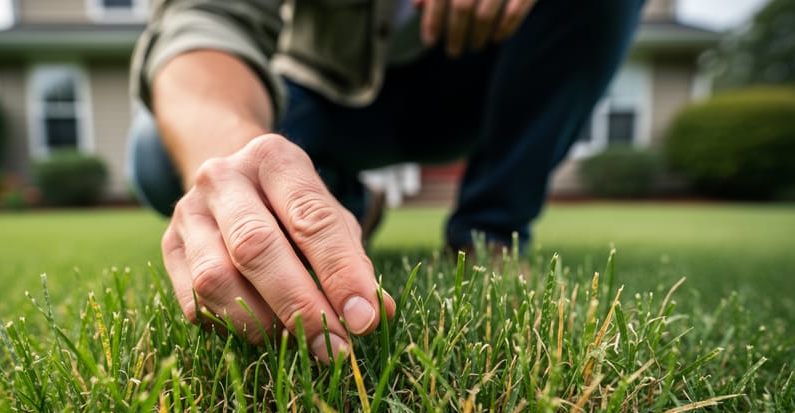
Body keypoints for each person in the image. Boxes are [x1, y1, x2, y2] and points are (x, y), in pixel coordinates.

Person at [128, 0, 645, 363]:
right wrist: (241, 166)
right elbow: (203, 17)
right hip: (329, 93)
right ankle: (345, 204)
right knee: (159, 156)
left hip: (483, 82)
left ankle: (491, 233)